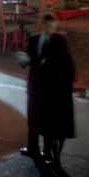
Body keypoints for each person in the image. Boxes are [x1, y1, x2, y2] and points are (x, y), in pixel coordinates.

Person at [17, 12, 75, 165]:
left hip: (50, 87)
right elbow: (29, 59)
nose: (50, 29)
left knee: (48, 119)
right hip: (35, 84)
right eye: (48, 26)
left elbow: (63, 63)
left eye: (53, 26)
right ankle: (32, 148)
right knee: (32, 116)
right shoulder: (34, 39)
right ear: (42, 25)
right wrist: (23, 59)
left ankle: (48, 152)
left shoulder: (59, 41)